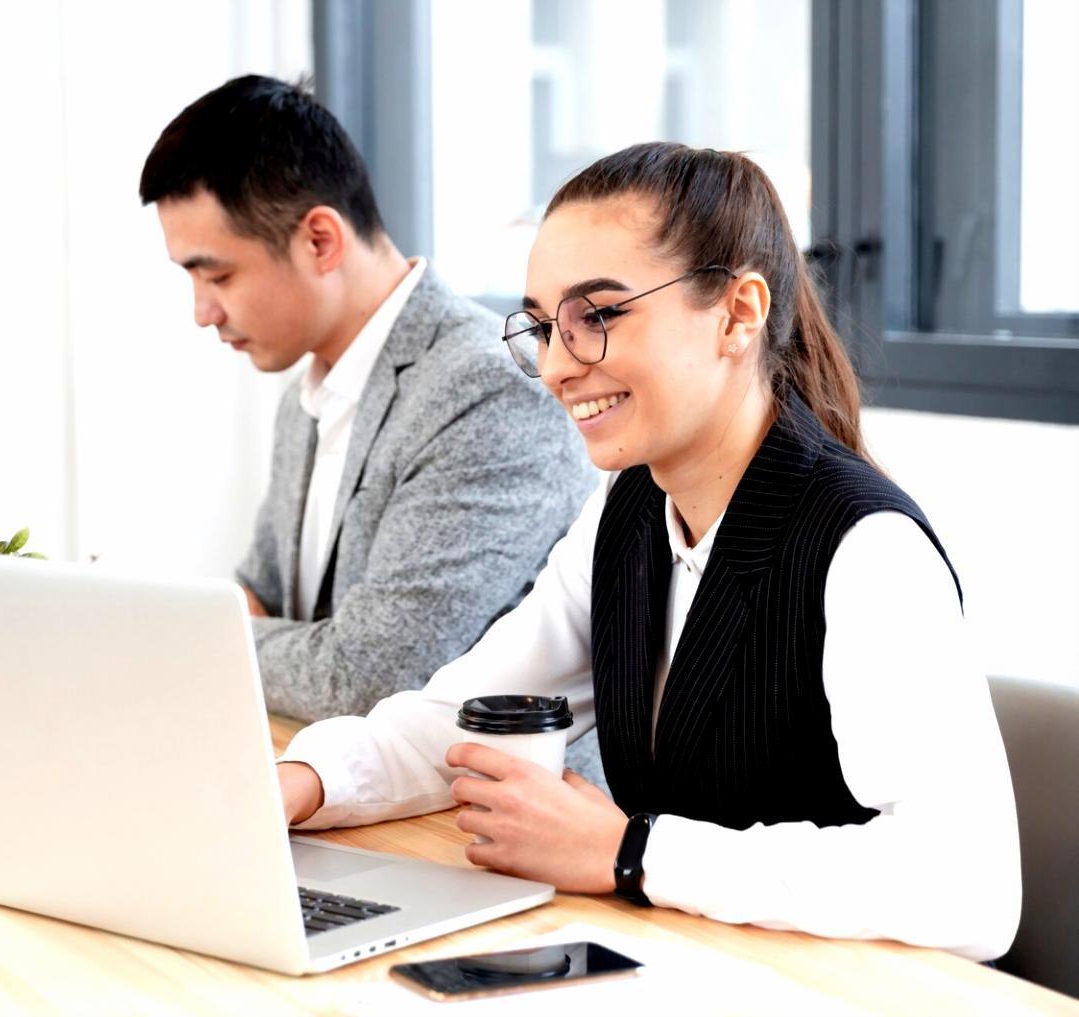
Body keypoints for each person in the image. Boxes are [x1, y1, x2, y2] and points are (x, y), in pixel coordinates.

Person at [274, 142, 1021, 961]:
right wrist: (302, 784)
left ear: (738, 313)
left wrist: (632, 851)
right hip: (693, 965)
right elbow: (464, 715)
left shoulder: (865, 548)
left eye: (597, 315)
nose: (557, 367)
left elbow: (971, 886)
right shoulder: (626, 513)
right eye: (543, 327)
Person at [139, 75, 598, 726]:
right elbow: (257, 598)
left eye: (218, 274)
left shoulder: (485, 390)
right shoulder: (307, 394)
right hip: (331, 784)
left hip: (463, 811)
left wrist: (194, 633)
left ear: (320, 240)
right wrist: (240, 628)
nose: (202, 311)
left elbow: (366, 677)